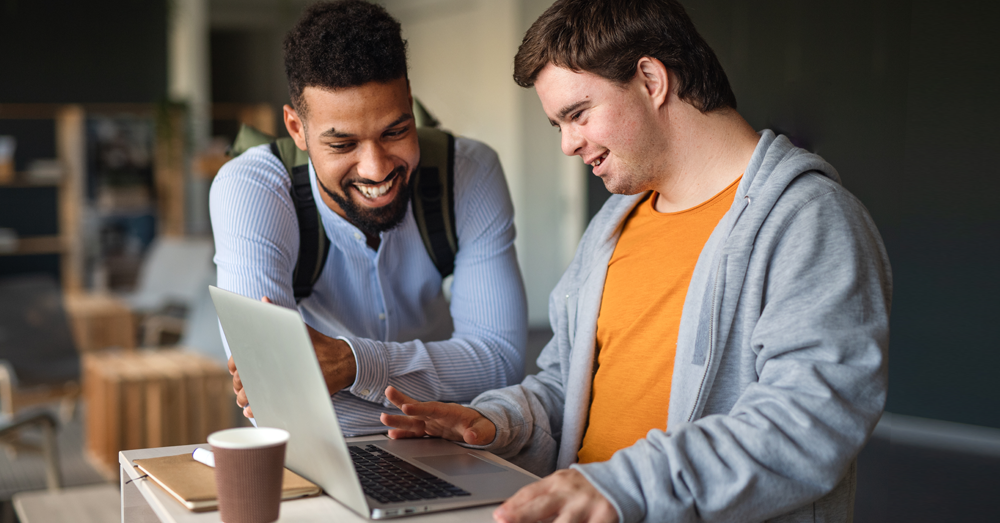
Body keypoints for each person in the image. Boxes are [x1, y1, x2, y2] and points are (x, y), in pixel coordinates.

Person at [379, 0, 892, 521]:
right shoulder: (612, 225)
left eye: (577, 115)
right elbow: (565, 386)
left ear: (651, 79)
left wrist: (623, 487)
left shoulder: (810, 220)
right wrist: (493, 421)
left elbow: (805, 425)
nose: (568, 145)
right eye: (559, 124)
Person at [209, 0, 527, 437]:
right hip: (346, 449)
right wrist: (444, 398)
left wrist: (353, 364)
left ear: (410, 104)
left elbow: (499, 362)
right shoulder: (252, 188)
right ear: (296, 129)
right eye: (342, 145)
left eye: (395, 131)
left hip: (447, 445)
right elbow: (275, 395)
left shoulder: (469, 171)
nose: (376, 169)